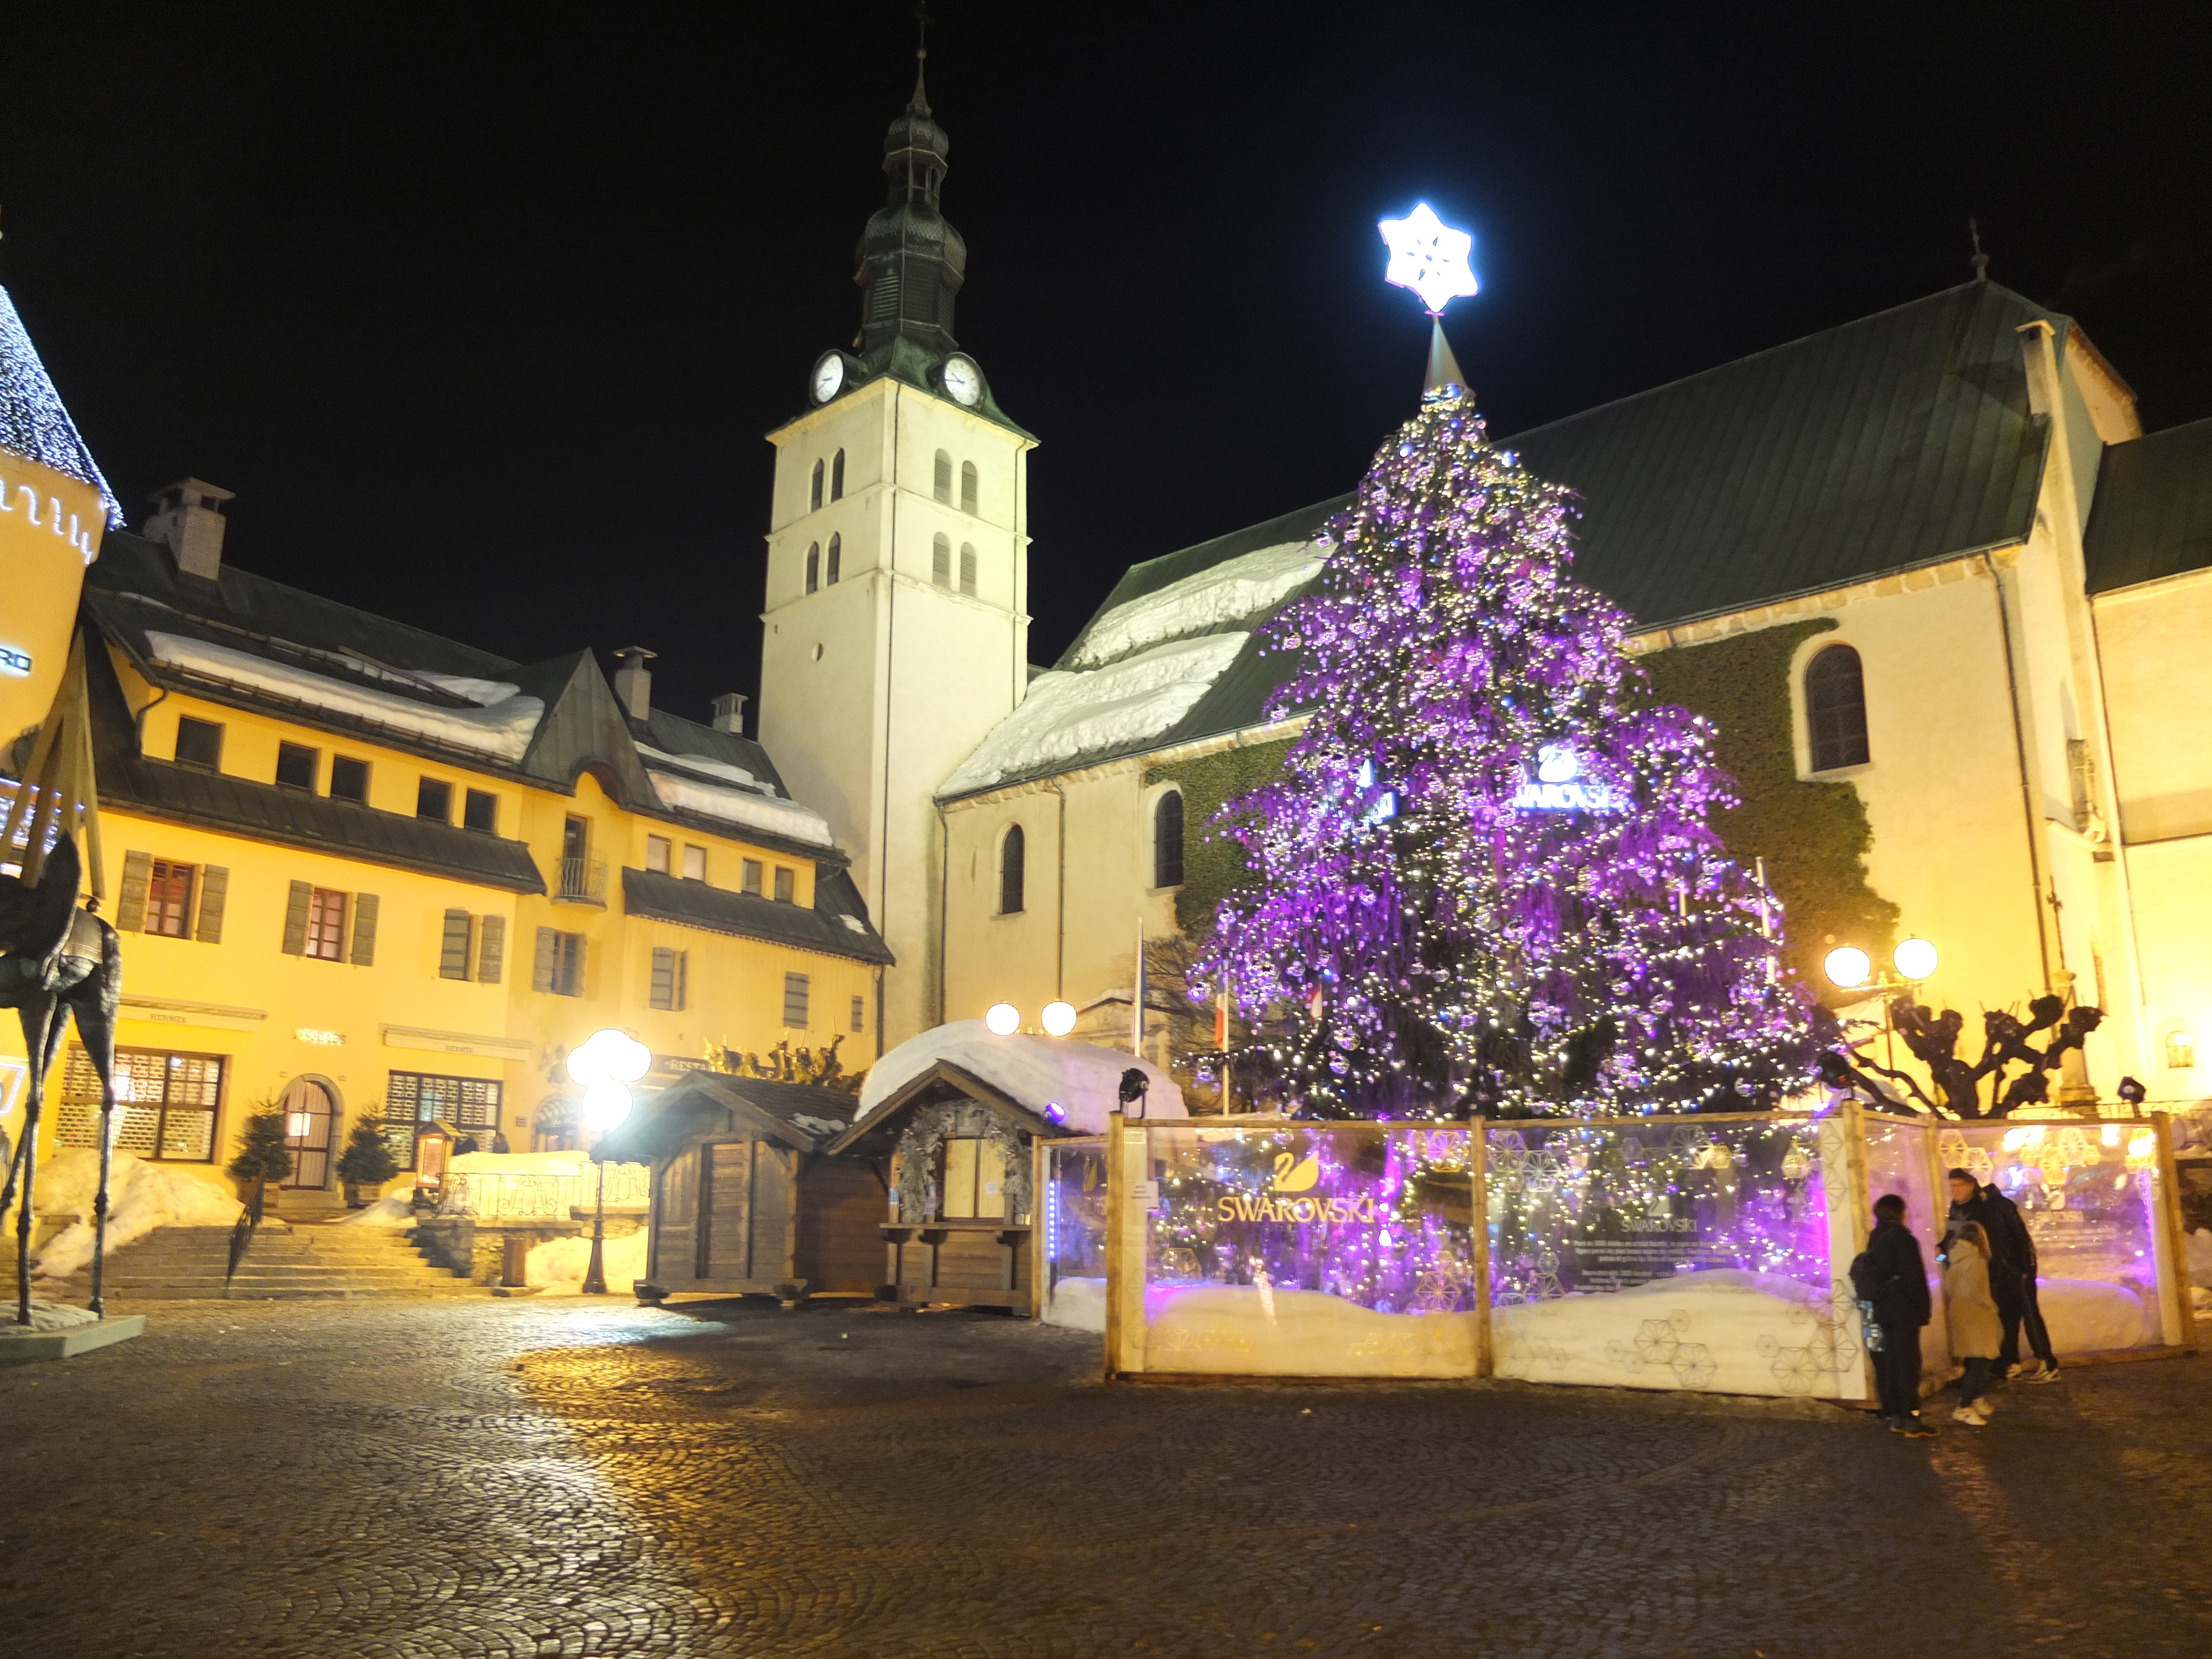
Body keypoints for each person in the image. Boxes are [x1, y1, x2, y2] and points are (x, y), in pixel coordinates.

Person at [1945, 1167, 2059, 1382]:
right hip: (1993, 1273)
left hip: (2013, 1271)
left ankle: (2047, 1362)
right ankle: (2009, 1363)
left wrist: (2025, 1268)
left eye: (1958, 1185)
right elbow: (1952, 1238)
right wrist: (1943, 1257)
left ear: (1971, 1185)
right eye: (1951, 1186)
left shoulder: (1994, 1206)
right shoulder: (1962, 1209)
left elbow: (2019, 1237)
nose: (1954, 1191)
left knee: (2028, 1314)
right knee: (2006, 1318)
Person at [1860, 1193, 1934, 1437]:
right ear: (1901, 1213)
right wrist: (1923, 1310)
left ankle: (1895, 1415)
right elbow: (1914, 1279)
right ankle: (1912, 1417)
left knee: (1891, 1363)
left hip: (1882, 1311)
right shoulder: (1904, 1240)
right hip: (1904, 1311)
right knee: (1908, 1365)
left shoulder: (1876, 1237)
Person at [1941, 1219, 2005, 1425]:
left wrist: (1938, 1256)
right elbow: (1980, 1293)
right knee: (1982, 1360)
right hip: (1977, 1315)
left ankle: (1974, 1398)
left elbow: (1941, 1267)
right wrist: (1993, 1309)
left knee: (1973, 1359)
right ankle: (1965, 1406)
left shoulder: (1953, 1258)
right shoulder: (1977, 1261)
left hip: (1960, 1311)